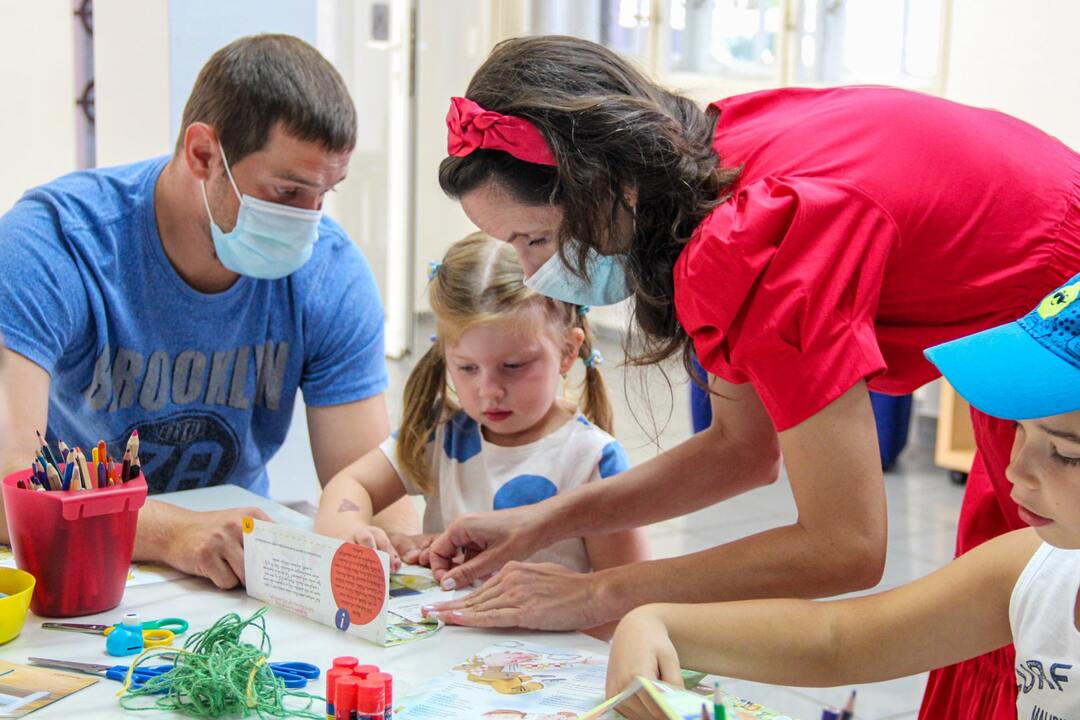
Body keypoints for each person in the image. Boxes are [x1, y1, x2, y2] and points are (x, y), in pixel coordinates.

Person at [418, 35, 1080, 720]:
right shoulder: (704, 162)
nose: (533, 273)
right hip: (1034, 325)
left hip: (1058, 335)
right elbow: (741, 448)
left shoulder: (755, 233)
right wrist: (539, 522)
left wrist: (599, 594)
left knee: (1032, 618)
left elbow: (846, 546)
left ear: (608, 182)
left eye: (536, 239)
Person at [0, 34, 417, 590]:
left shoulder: (330, 274)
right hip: (75, 568)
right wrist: (172, 533)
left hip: (231, 570)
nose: (308, 221)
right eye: (288, 192)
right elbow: (10, 481)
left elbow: (369, 486)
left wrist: (397, 558)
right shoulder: (54, 245)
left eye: (326, 194)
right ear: (202, 154)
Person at [604, 273, 1080, 720]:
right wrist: (655, 624)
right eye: (1019, 429)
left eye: (1064, 453)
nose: (1014, 468)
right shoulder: (1031, 567)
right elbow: (838, 640)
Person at [315, 233, 649, 636]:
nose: (489, 391)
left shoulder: (593, 460)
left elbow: (628, 604)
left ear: (567, 351)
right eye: (467, 368)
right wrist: (350, 532)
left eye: (513, 366)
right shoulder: (443, 435)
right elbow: (350, 484)